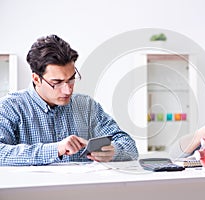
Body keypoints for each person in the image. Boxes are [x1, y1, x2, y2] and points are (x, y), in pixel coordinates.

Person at [0, 34, 138, 166]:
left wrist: (114, 151)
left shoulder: (87, 106)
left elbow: (130, 147)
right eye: (57, 82)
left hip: (85, 189)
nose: (68, 90)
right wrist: (55, 149)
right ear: (36, 79)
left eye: (71, 79)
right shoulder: (10, 107)